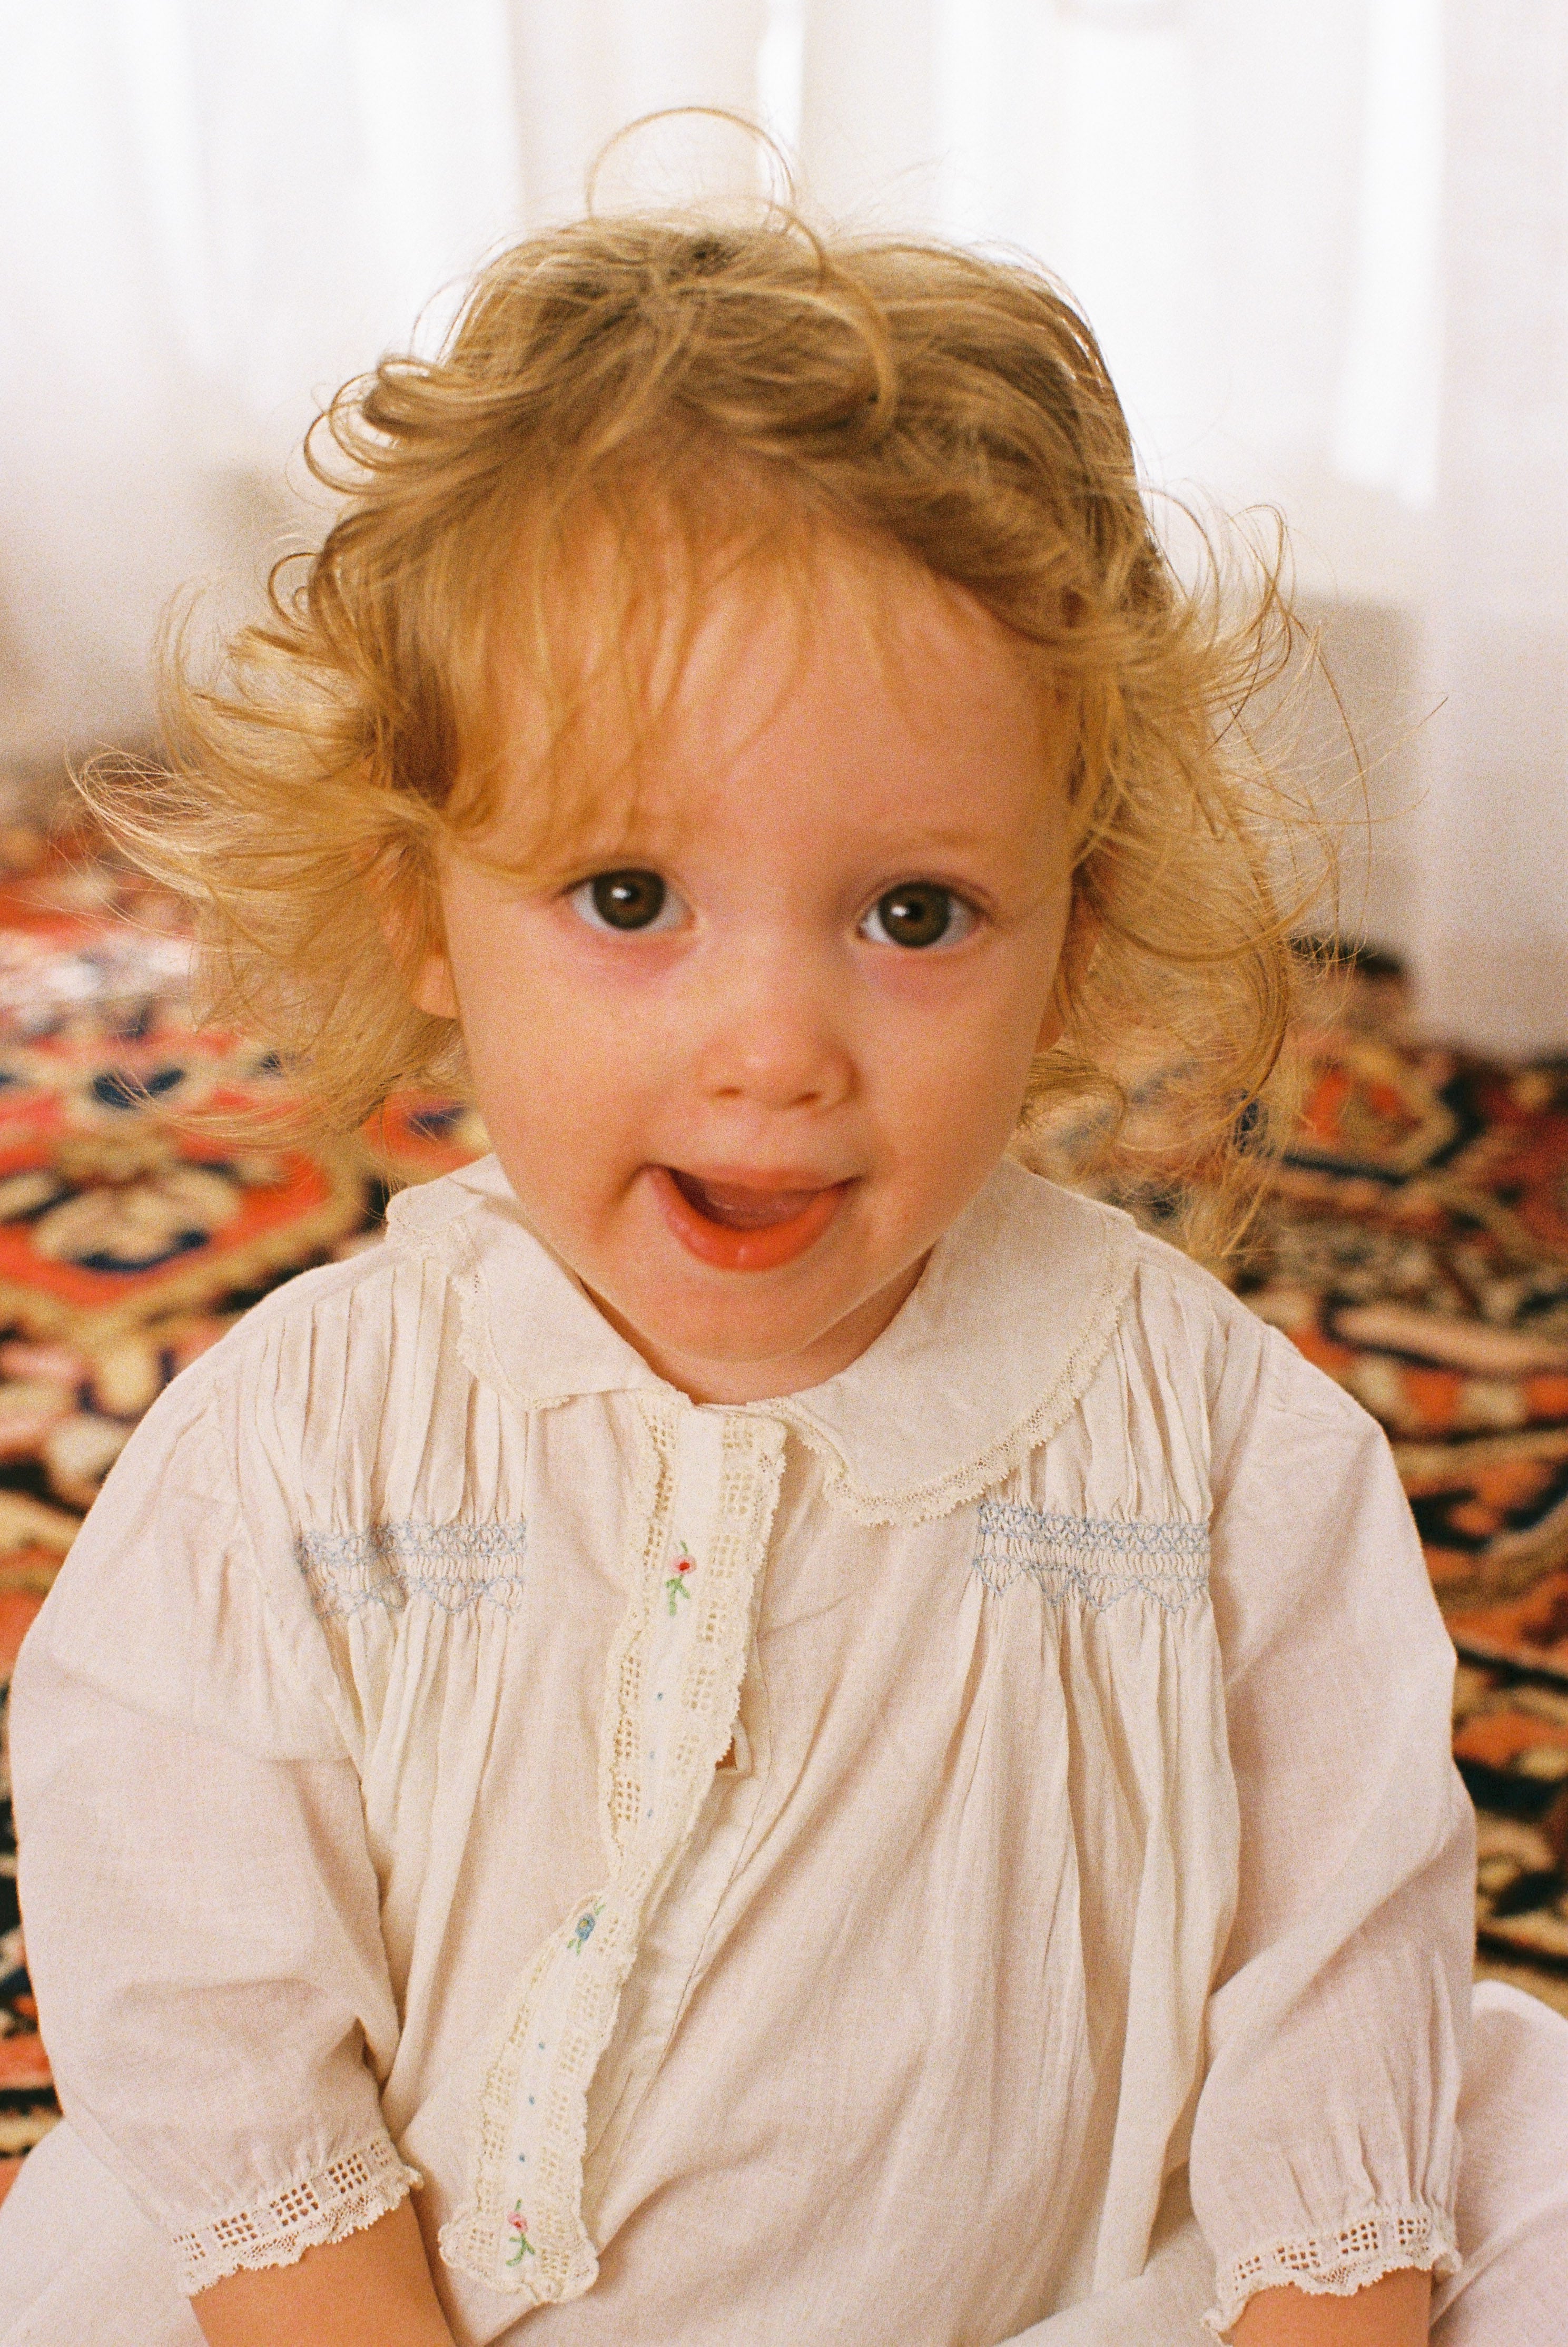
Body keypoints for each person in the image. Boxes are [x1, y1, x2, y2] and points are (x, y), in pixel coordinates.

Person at [1, 211, 1565, 2347]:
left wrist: (1323, 2297)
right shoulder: (307, 1446)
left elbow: (1336, 1997)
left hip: (1053, 2301)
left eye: (914, 915)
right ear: (421, 917)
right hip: (381, 2303)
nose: (775, 1049)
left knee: (1516, 2145)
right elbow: (205, 1997)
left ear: (1075, 936)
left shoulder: (1222, 1458)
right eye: (628, 894)